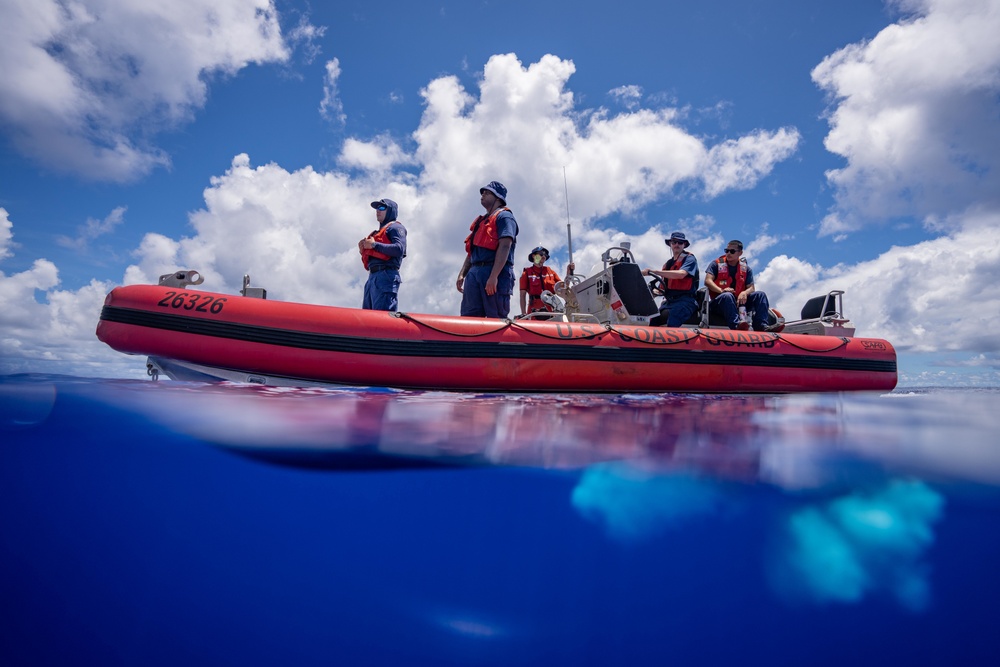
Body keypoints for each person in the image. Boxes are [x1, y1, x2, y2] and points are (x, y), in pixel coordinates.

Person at [456, 181, 518, 318]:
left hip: (494, 272)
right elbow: (472, 250)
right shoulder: (481, 221)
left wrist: (494, 276)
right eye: (482, 192)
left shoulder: (504, 217)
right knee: (469, 317)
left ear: (498, 198)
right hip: (475, 273)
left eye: (487, 192)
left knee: (495, 316)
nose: (483, 194)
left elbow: (505, 245)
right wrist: (462, 274)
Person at [704, 239, 770, 331]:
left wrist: (744, 293)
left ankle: (762, 326)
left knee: (760, 295)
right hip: (720, 302)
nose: (728, 253)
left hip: (739, 302)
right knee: (727, 296)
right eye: (726, 251)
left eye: (732, 251)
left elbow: (751, 288)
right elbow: (707, 281)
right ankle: (736, 325)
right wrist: (722, 290)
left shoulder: (746, 269)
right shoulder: (716, 264)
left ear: (740, 253)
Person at [642, 231, 700, 327]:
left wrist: (654, 272)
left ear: (684, 245)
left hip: (686, 301)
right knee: (652, 319)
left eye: (680, 242)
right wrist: (648, 295)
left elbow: (681, 274)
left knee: (674, 317)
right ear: (670, 244)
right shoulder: (668, 264)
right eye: (674, 242)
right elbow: (661, 289)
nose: (677, 244)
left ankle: (671, 340)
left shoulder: (690, 259)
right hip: (669, 302)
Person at [358, 198, 406, 311]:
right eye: (377, 208)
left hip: (386, 276)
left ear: (390, 210)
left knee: (382, 318)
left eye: (382, 207)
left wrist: (374, 246)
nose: (377, 210)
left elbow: (399, 249)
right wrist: (364, 250)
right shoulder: (376, 233)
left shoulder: (396, 228)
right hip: (372, 278)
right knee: (367, 319)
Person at [518, 246, 574, 316]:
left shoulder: (550, 272)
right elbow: (522, 295)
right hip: (534, 311)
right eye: (541, 253)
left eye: (545, 254)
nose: (543, 256)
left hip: (552, 309)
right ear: (533, 256)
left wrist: (568, 274)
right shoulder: (526, 273)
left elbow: (564, 287)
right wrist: (523, 314)